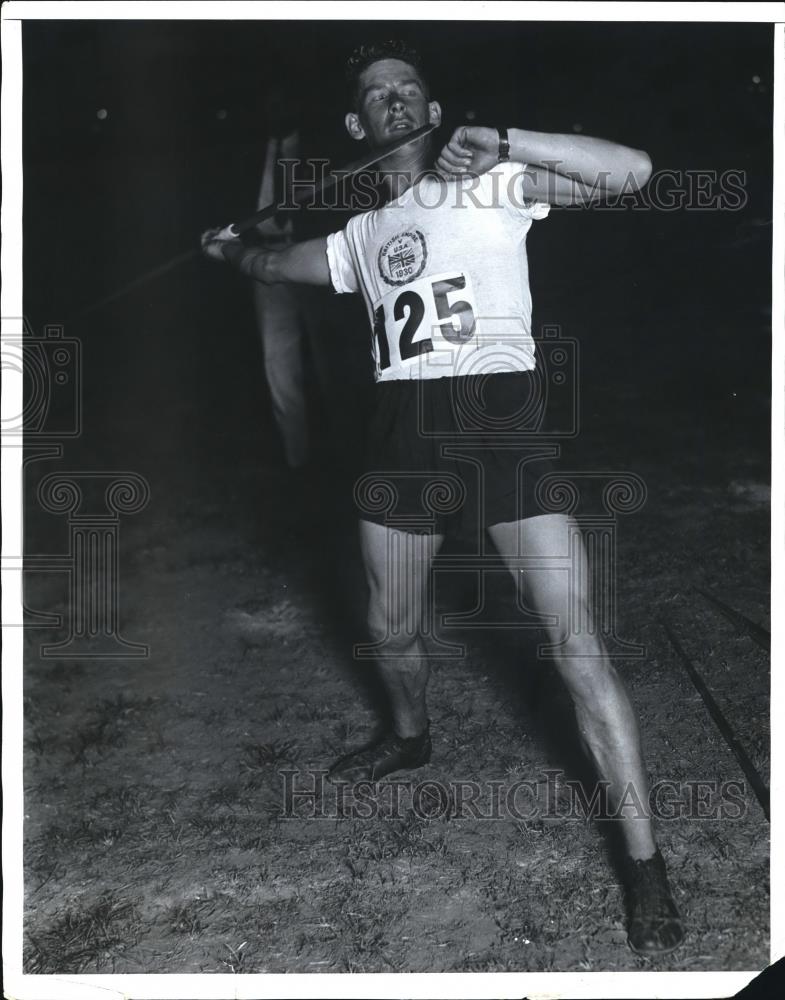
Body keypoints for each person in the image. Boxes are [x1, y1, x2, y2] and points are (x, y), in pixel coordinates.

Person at [202, 39, 684, 957]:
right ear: (356, 124)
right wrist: (232, 253)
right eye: (376, 93)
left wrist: (505, 139)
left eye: (409, 88)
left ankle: (647, 866)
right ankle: (411, 734)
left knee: (575, 646)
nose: (395, 99)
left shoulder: (495, 181)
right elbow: (278, 268)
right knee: (389, 626)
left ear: (431, 110)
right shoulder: (358, 236)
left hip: (498, 419)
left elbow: (634, 173)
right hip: (400, 433)